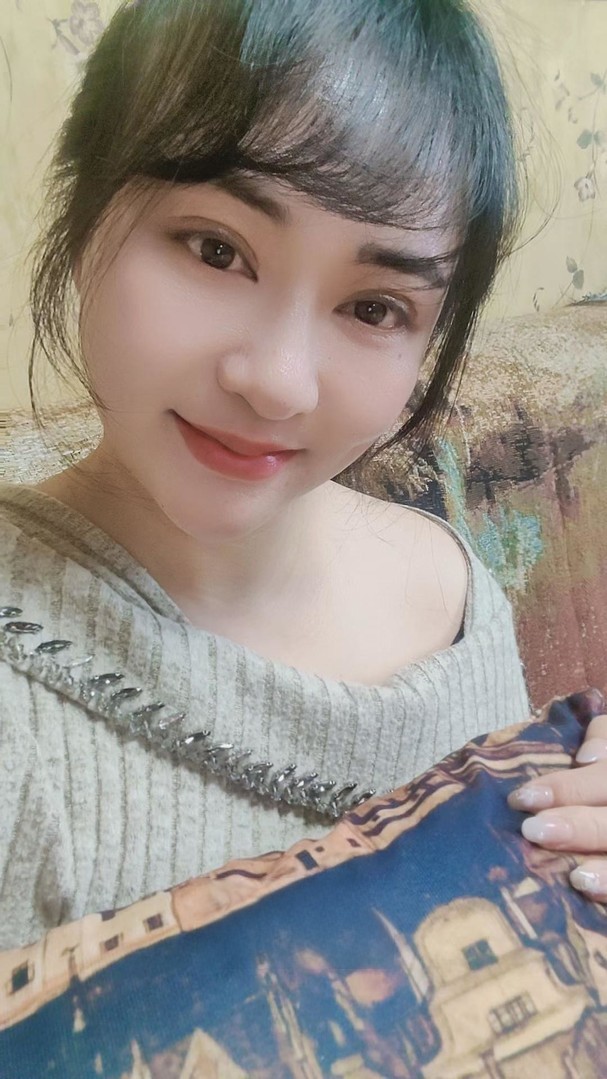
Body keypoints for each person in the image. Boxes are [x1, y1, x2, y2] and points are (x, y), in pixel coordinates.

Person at [0, 0, 600, 953]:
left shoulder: (452, 597)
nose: (278, 383)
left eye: (373, 307)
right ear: (82, 210)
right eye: (215, 249)